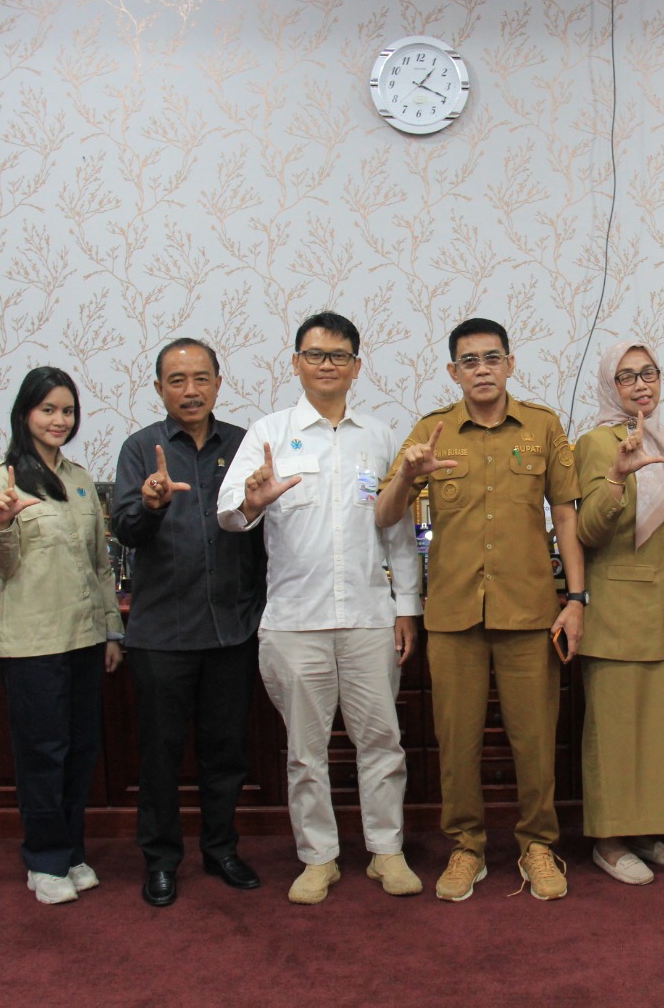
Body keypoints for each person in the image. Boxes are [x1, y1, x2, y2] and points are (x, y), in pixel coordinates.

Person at [375, 317, 584, 902]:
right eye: (470, 361)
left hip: (529, 613)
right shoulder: (431, 431)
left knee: (535, 741)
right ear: (453, 371)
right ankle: (466, 847)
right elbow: (384, 514)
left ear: (510, 364)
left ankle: (537, 844)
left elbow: (567, 514)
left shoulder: (542, 426)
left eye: (493, 358)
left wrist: (577, 599)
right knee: (457, 743)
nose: (483, 369)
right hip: (453, 615)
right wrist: (408, 476)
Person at [218, 311, 424, 905]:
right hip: (294, 622)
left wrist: (406, 608)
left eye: (339, 356)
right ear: (296, 363)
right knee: (305, 753)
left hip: (368, 618)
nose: (326, 365)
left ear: (357, 366)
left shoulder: (380, 437)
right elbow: (228, 514)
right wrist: (253, 502)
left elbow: (398, 531)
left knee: (382, 741)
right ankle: (318, 858)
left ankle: (386, 851)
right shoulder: (269, 433)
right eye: (315, 354)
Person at [111, 338, 267, 907]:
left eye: (201, 378)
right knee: (160, 755)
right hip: (163, 634)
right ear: (159, 389)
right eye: (177, 380)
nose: (191, 390)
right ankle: (160, 860)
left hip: (231, 629)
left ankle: (221, 848)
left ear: (218, 383)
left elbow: (263, 529)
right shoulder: (140, 448)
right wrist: (151, 505)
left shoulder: (245, 444)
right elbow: (125, 529)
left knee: (226, 752)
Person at [0, 368, 124, 905]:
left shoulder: (81, 479)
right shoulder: (3, 480)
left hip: (84, 638)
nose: (59, 420)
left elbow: (100, 566)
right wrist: (2, 523)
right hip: (33, 643)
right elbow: (0, 566)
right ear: (25, 414)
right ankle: (43, 860)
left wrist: (112, 632)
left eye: (67, 411)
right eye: (47, 410)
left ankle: (72, 852)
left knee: (81, 751)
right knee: (43, 753)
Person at [574, 341, 664, 885]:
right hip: (620, 612)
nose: (641, 385)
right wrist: (617, 478)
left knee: (660, 732)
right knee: (618, 734)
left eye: (649, 373)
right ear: (610, 386)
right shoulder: (595, 443)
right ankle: (609, 841)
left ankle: (648, 831)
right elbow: (587, 531)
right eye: (626, 377)